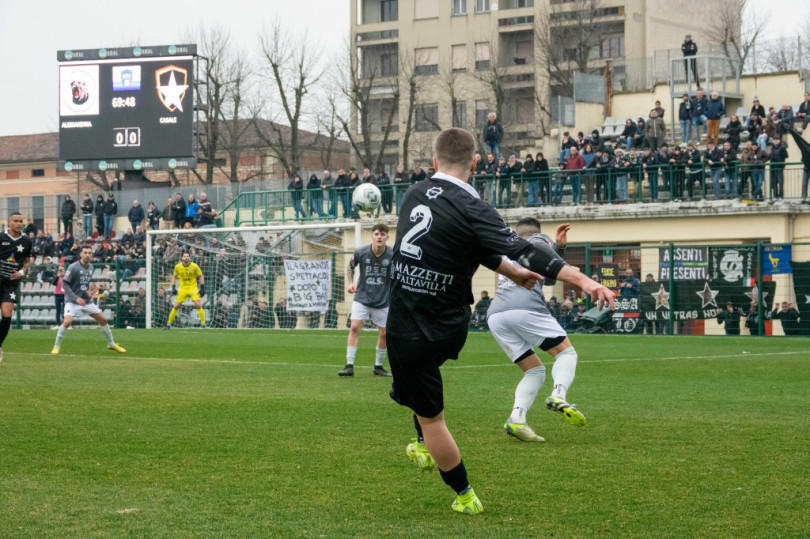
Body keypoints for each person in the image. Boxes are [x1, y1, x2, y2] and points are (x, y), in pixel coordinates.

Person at [386, 127, 615, 515]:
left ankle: (464, 495)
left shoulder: (413, 193)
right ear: (476, 163)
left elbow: (523, 250)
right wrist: (516, 273)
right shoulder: (473, 207)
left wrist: (581, 279)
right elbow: (506, 250)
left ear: (433, 161)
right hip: (450, 323)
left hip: (412, 325)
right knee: (417, 381)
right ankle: (423, 442)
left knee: (432, 415)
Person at [487, 219, 589, 444]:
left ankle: (516, 419)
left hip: (496, 315)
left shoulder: (507, 249)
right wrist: (558, 249)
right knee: (567, 354)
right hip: (524, 308)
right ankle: (559, 395)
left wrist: (559, 250)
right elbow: (554, 268)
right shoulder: (537, 239)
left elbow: (549, 277)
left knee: (534, 371)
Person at [338, 223, 393, 378]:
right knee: (354, 327)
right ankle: (349, 365)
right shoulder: (361, 252)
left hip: (383, 300)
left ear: (387, 237)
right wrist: (350, 282)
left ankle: (378, 367)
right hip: (362, 297)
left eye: (382, 234)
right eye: (376, 234)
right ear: (372, 236)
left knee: (384, 333)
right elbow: (350, 266)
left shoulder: (393, 254)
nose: (379, 237)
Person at [50, 246, 125, 355]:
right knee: (67, 322)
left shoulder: (91, 267)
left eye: (89, 253)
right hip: (72, 301)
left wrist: (88, 293)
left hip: (86, 301)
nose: (88, 255)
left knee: (103, 320)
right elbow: (64, 285)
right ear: (80, 254)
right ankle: (56, 347)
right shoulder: (73, 267)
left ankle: (111, 344)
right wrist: (76, 298)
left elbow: (83, 284)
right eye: (85, 253)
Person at [0, 212, 32, 362]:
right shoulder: (1, 238)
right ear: (9, 222)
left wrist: (21, 272)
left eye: (21, 221)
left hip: (11, 284)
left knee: (7, 315)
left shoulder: (26, 241)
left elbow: (27, 261)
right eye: (16, 221)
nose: (19, 224)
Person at [165, 251, 206, 329]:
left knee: (198, 304)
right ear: (182, 257)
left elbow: (201, 276)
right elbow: (174, 276)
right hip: (182, 288)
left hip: (193, 288)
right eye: (185, 256)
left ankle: (203, 324)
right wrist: (173, 287)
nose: (186, 258)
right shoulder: (178, 266)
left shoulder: (194, 266)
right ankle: (168, 324)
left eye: (187, 256)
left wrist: (202, 287)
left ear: (189, 258)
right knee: (176, 305)